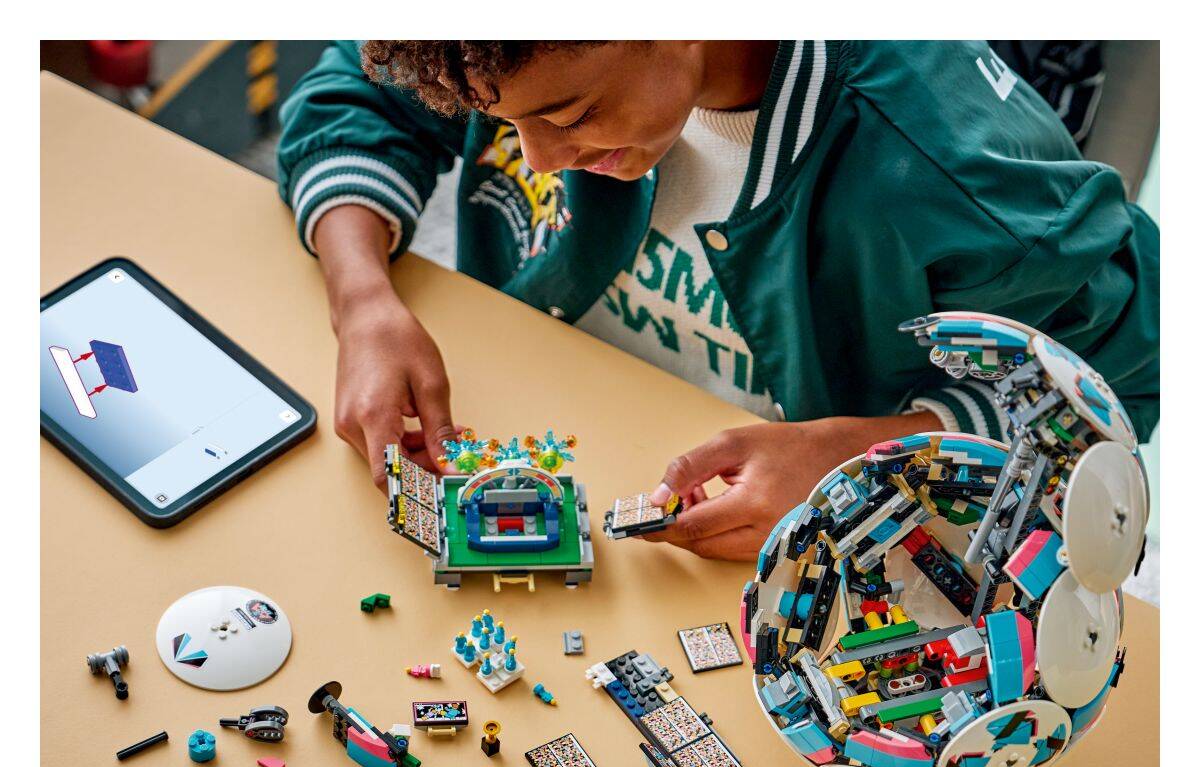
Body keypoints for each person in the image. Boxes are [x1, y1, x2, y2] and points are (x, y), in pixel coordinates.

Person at [277, 40, 1159, 560]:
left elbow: (1109, 389)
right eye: (506, 125)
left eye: (572, 116)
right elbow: (357, 90)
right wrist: (363, 301)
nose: (537, 158)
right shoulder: (495, 51)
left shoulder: (951, 171)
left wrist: (867, 456)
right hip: (568, 413)